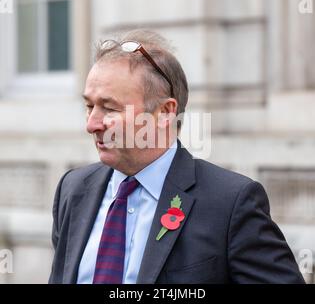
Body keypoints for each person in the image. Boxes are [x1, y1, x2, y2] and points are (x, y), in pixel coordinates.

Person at [49, 29, 305, 284]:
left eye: (110, 108)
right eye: (89, 106)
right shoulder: (72, 190)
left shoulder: (231, 204)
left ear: (164, 112)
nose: (92, 124)